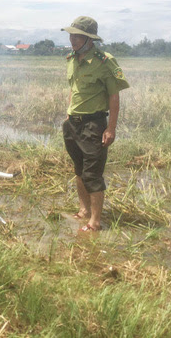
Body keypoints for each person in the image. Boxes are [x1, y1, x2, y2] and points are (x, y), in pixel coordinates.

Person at [61, 16, 130, 232]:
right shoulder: (72, 58)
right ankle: (84, 210)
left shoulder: (104, 61)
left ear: (89, 39)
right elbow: (75, 89)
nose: (72, 39)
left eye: (77, 36)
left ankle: (95, 222)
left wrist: (111, 128)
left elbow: (114, 97)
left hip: (93, 125)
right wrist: (68, 114)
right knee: (79, 171)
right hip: (73, 124)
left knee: (92, 174)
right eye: (71, 35)